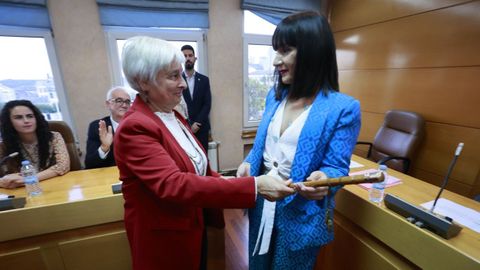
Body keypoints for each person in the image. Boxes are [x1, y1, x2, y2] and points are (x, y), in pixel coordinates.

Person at [115, 36, 295, 270]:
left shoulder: (172, 114)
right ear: (143, 81)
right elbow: (173, 184)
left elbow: (200, 169)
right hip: (164, 240)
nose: (182, 83)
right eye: (173, 76)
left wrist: (235, 182)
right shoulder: (135, 127)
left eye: (181, 74)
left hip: (191, 228)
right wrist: (254, 186)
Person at [237, 11, 361, 269]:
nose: (275, 61)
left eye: (285, 51)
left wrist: (324, 181)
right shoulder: (275, 96)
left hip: (301, 214)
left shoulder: (342, 108)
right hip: (262, 205)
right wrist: (249, 161)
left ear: (312, 52)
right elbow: (266, 144)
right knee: (257, 265)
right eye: (276, 51)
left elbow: (336, 167)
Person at [0, 100, 70, 189]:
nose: (26, 121)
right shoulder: (4, 146)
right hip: (23, 192)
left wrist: (27, 179)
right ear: (9, 122)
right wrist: (3, 182)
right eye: (18, 117)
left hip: (56, 187)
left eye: (30, 116)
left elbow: (63, 166)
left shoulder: (53, 137)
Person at [84, 86, 131, 169]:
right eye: (119, 101)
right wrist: (104, 148)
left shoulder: (138, 125)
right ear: (108, 104)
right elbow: (89, 164)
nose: (124, 105)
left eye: (127, 102)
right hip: (109, 177)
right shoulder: (97, 127)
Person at [181, 44, 211, 151]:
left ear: (195, 58)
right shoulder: (176, 81)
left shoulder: (204, 80)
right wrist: (188, 125)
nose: (188, 58)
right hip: (184, 129)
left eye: (190, 55)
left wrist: (197, 124)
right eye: (185, 56)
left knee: (203, 157)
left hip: (201, 128)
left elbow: (207, 104)